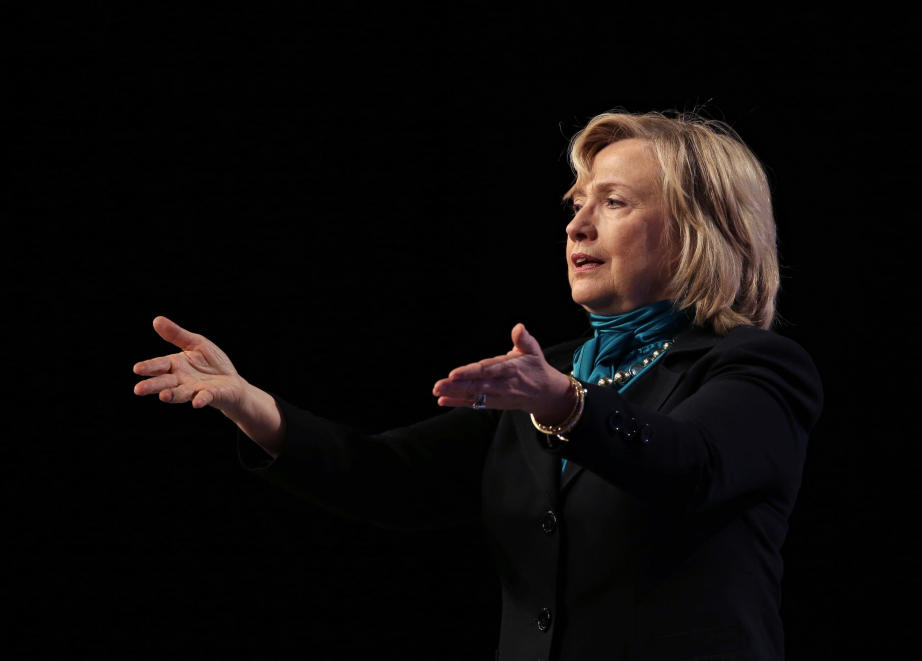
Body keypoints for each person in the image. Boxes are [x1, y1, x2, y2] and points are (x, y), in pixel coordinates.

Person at [133, 110, 823, 660]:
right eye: (576, 204)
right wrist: (257, 409)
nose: (576, 225)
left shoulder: (756, 367)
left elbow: (690, 465)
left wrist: (564, 405)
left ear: (700, 229)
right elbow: (392, 478)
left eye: (613, 203)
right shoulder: (550, 372)